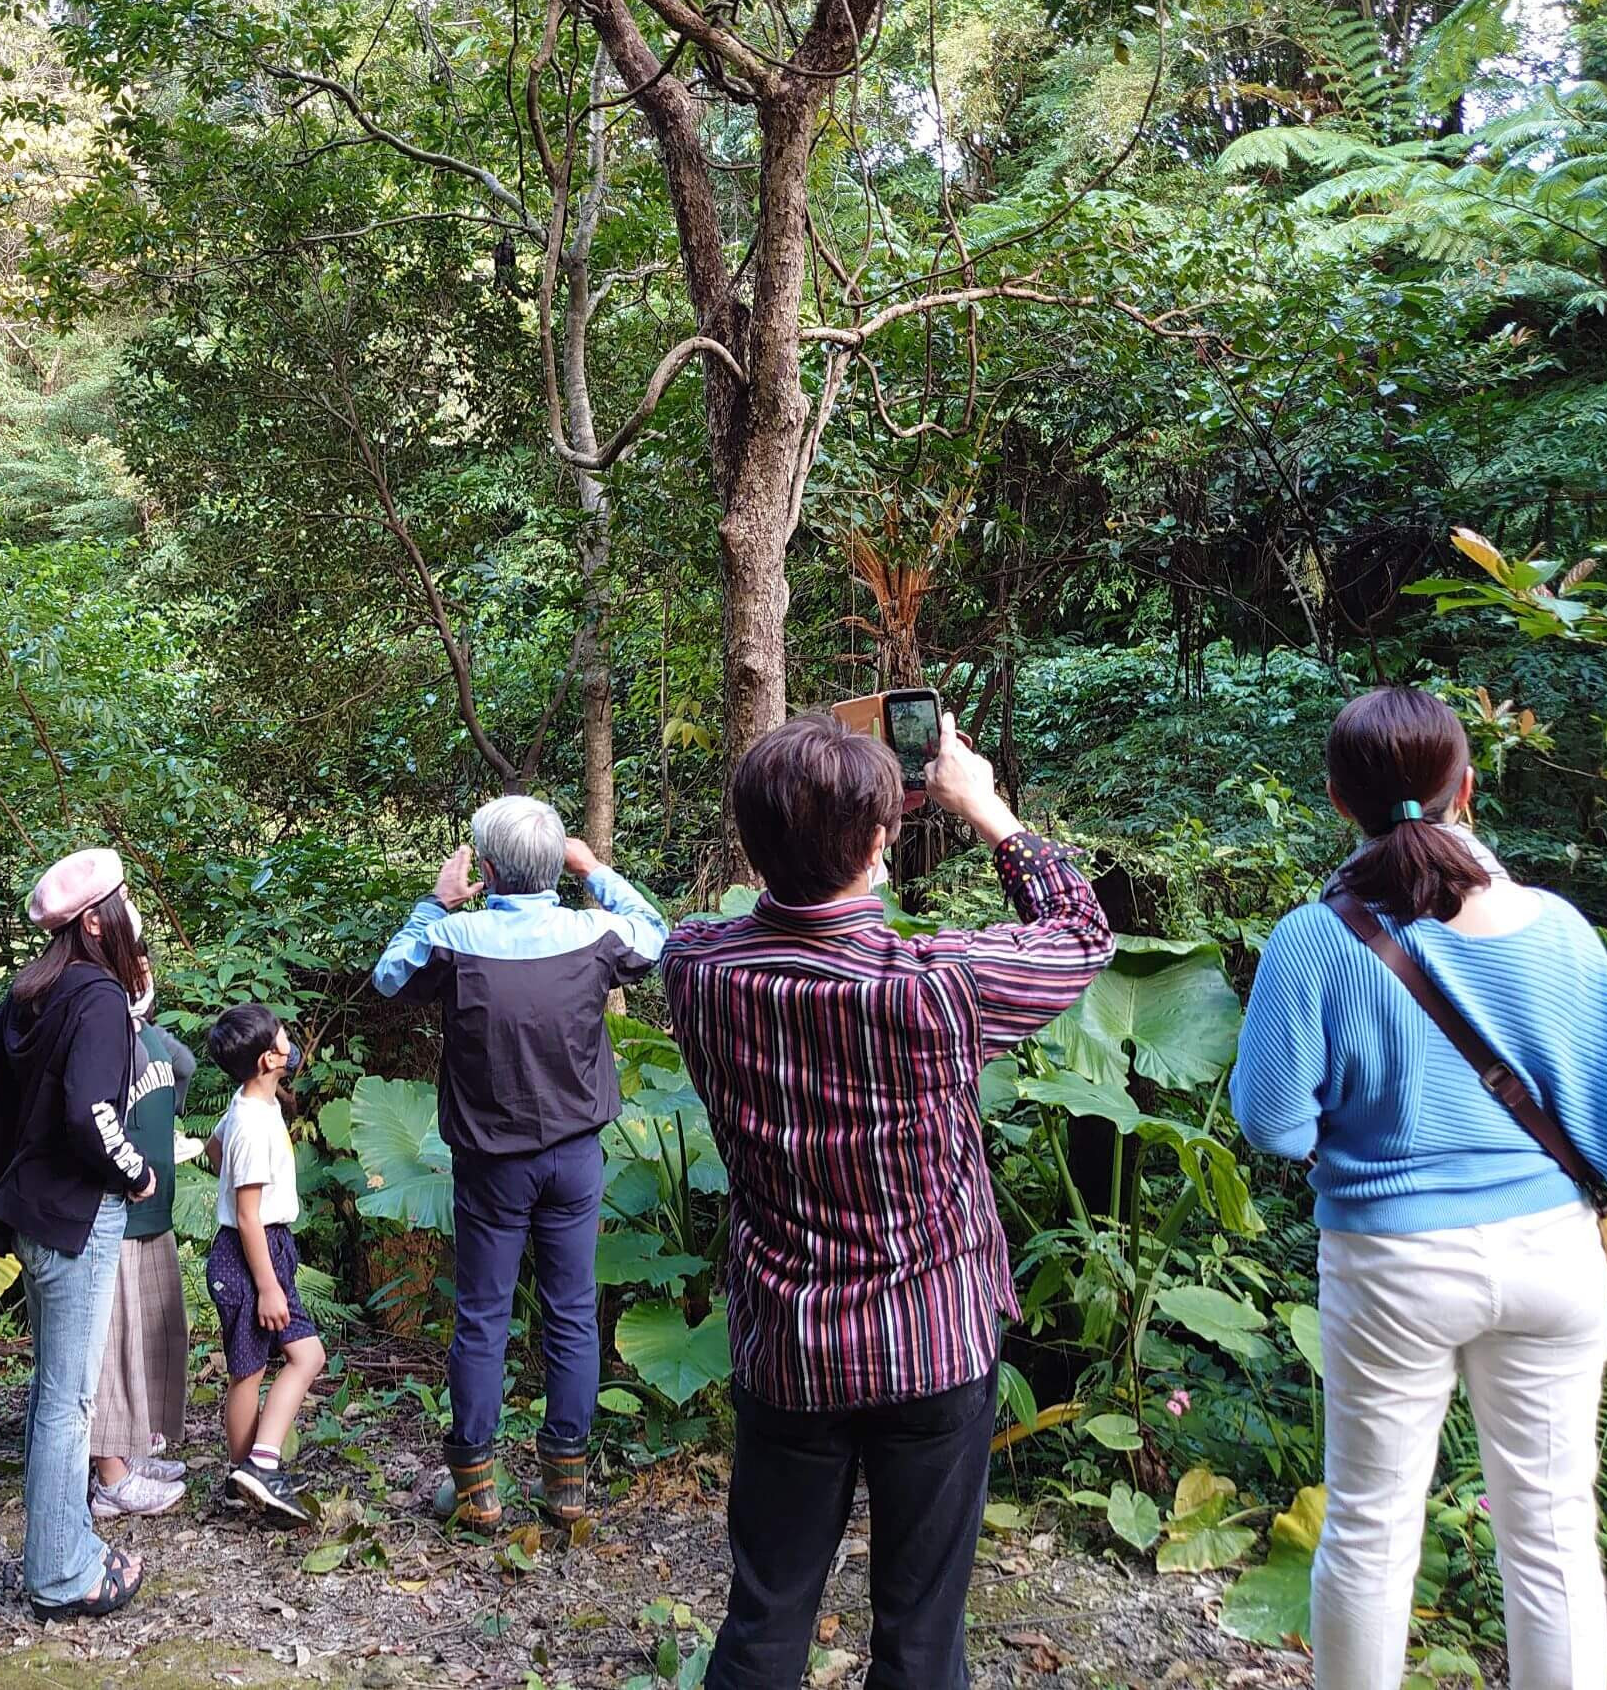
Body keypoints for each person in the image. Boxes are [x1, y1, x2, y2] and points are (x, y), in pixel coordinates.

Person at [661, 713, 1112, 1690]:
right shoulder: (936, 984)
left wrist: (823, 802)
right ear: (881, 839)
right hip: (930, 1339)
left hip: (789, 1343)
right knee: (919, 1634)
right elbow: (1080, 933)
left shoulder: (697, 968)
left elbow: (760, 903)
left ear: (748, 843)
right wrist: (985, 806)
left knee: (764, 1616)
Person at [1232, 687, 1607, 1690]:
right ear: (1468, 788)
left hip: (1389, 1263)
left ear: (1338, 800)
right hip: (1552, 1256)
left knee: (1372, 1527)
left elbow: (1274, 1125)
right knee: (1554, 1532)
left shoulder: (1312, 939)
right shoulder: (1559, 930)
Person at [371, 797, 666, 1530]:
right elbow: (658, 936)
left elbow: (387, 978)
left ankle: (476, 1489)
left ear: (490, 868)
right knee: (570, 1313)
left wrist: (433, 901)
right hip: (574, 1158)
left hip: (490, 1164)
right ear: (554, 863)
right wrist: (595, 868)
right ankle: (566, 1485)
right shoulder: (592, 933)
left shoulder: (454, 937)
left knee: (482, 1317)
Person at [0, 849, 154, 1622]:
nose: (133, 913)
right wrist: (135, 1173)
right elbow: (91, 1116)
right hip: (75, 1218)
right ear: (97, 920)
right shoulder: (99, 997)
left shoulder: (32, 990)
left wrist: (18, 1141)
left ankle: (69, 1542)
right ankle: (60, 1573)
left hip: (31, 1213)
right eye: (124, 901)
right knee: (68, 1402)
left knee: (54, 1396)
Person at [203, 1001, 325, 1525]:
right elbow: (249, 1218)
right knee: (251, 1372)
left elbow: (212, 1149)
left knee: (302, 1356)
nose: (288, 1043)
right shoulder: (252, 1123)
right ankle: (254, 1467)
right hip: (251, 1254)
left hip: (263, 1249)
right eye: (280, 1038)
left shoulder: (251, 1105)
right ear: (266, 1060)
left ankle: (253, 1469)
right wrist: (269, 1286)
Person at [88, 983, 197, 1520]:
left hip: (155, 1213)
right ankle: (109, 1476)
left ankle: (131, 1449)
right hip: (112, 1215)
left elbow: (185, 1064)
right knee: (110, 1346)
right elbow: (85, 1120)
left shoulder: (147, 1035)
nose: (140, 977)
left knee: (152, 1334)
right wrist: (129, 1170)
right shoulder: (96, 1037)